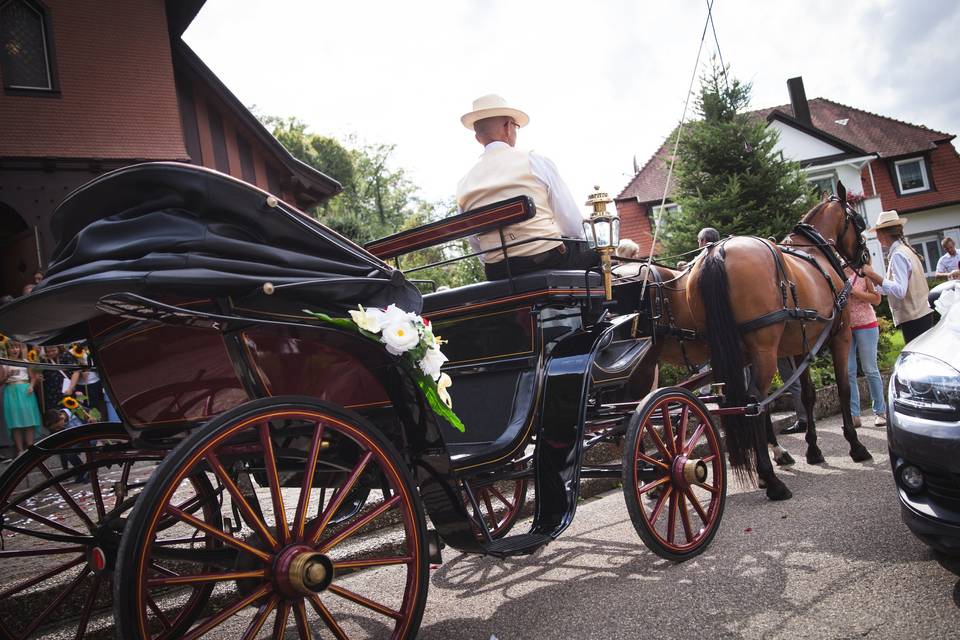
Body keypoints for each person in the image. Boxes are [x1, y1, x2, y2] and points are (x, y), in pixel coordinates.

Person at [456, 94, 596, 280]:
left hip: (498, 272)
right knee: (598, 252)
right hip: (548, 259)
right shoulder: (534, 161)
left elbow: (476, 244)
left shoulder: (464, 184)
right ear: (508, 127)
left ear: (478, 138)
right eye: (516, 126)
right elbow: (572, 224)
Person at [862, 210, 934, 343]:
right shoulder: (903, 251)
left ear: (883, 233)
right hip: (920, 315)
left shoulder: (898, 255)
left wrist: (872, 274)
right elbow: (887, 288)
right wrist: (870, 277)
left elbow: (900, 291)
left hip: (915, 318)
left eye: (877, 232)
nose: (877, 237)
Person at [845, 262, 887, 427]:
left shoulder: (863, 272)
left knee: (870, 369)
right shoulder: (838, 273)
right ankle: (854, 415)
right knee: (849, 371)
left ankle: (880, 412)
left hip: (866, 325)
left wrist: (854, 292)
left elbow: (877, 299)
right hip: (846, 328)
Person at [1, 342, 42, 455]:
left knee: (30, 420)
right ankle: (19, 450)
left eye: (16, 347)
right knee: (15, 422)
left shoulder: (25, 362)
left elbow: (32, 378)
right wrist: (7, 375)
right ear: (7, 350)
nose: (15, 350)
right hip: (11, 390)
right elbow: (1, 382)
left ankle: (30, 447)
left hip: (25, 390)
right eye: (12, 347)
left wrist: (31, 386)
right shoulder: (4, 363)